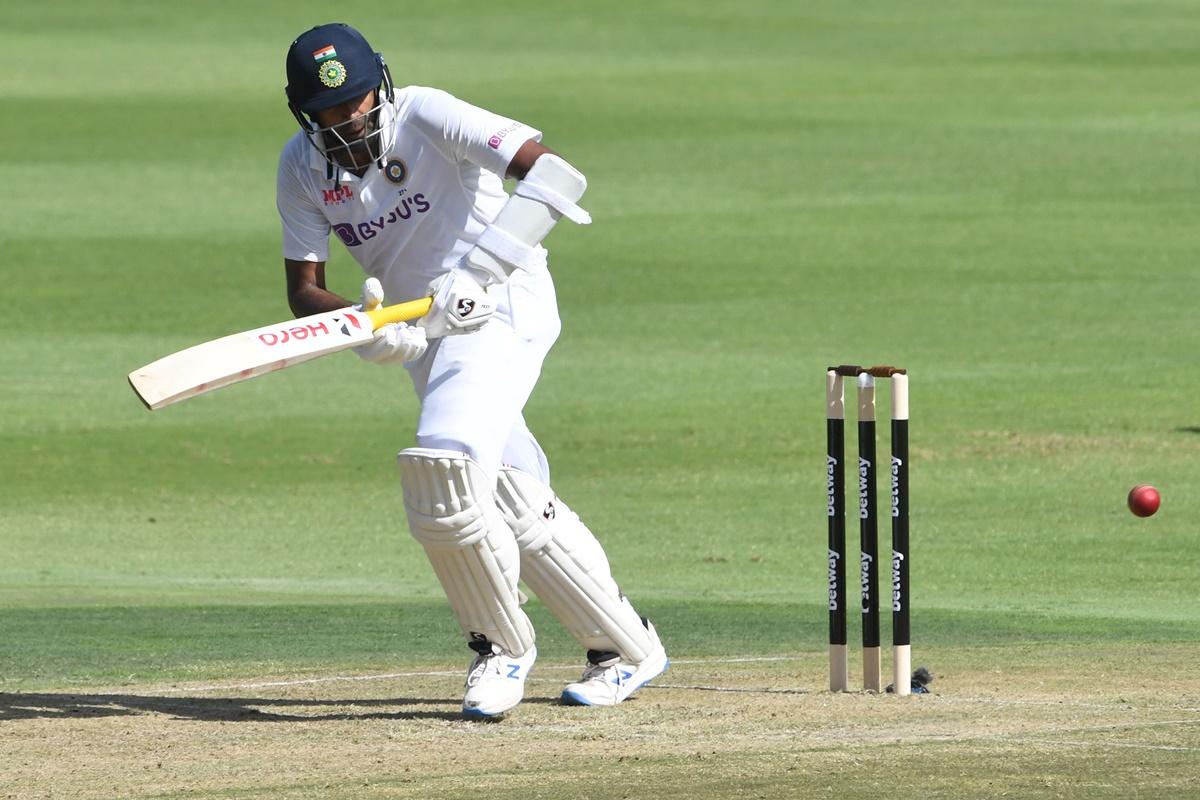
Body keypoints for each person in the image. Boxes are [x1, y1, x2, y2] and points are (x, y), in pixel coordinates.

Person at [277, 23, 668, 719]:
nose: (347, 122)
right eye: (330, 113)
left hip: (502, 303)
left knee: (443, 472)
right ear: (305, 113)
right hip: (427, 332)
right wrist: (370, 327)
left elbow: (553, 175)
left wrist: (481, 271)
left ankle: (500, 648)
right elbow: (304, 289)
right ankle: (626, 649)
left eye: (359, 103)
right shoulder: (302, 168)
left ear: (382, 88)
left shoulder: (428, 114)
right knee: (510, 492)